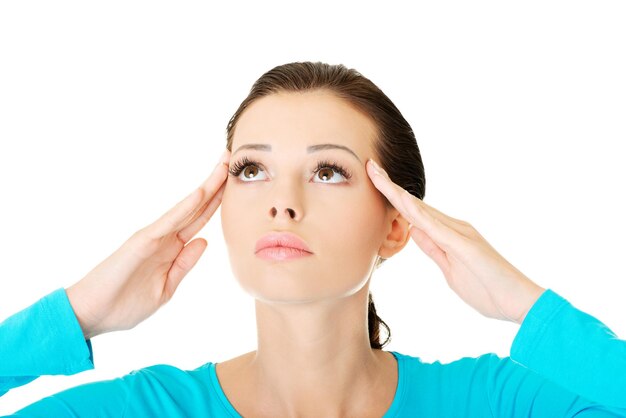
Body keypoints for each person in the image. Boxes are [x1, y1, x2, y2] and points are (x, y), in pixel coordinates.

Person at [1, 61, 625, 417]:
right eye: (251, 169)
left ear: (397, 223)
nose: (282, 201)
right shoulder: (137, 412)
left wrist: (525, 306)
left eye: (328, 171)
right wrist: (75, 315)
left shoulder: (499, 403)